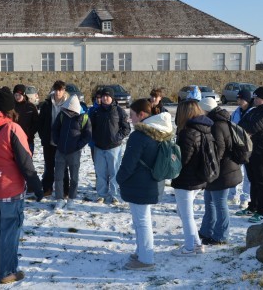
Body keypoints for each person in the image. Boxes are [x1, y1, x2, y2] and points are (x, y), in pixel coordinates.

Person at [0, 86, 43, 284]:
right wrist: (37, 187)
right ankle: (7, 272)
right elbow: (26, 162)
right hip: (10, 189)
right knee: (9, 232)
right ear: (10, 109)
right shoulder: (13, 129)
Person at [116, 98, 174, 270]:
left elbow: (128, 164)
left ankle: (146, 259)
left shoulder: (140, 136)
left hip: (139, 185)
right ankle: (142, 251)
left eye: (132, 115)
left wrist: (118, 179)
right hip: (153, 183)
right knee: (142, 220)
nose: (129, 119)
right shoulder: (161, 131)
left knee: (142, 222)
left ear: (142, 115)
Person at [198, 98, 242, 245]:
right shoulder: (217, 121)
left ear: (205, 110)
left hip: (222, 171)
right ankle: (206, 231)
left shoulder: (217, 124)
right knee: (209, 201)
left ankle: (221, 236)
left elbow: (219, 149)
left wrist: (210, 165)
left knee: (220, 203)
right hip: (219, 170)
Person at [171, 99, 211, 256]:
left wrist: (172, 156)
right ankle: (197, 244)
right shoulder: (205, 129)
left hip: (187, 179)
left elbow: (183, 159)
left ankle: (189, 248)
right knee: (184, 213)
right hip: (199, 177)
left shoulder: (188, 132)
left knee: (186, 215)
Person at [237, 86, 263, 223]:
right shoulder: (254, 110)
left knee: (261, 181)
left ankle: (262, 211)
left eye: (257, 97)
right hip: (250, 150)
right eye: (254, 97)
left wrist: (246, 131)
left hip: (261, 151)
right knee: (252, 179)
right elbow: (241, 124)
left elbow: (256, 126)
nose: (255, 99)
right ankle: (252, 206)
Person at [90, 87, 131, 205]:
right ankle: (101, 194)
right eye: (103, 96)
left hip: (114, 147)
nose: (105, 98)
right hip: (99, 147)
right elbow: (90, 127)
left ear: (112, 97)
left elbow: (126, 128)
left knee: (114, 172)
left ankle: (114, 195)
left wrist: (117, 138)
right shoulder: (96, 111)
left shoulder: (119, 111)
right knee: (100, 172)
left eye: (107, 96)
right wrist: (94, 138)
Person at [51, 94, 91, 211]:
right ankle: (59, 199)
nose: (68, 110)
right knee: (58, 176)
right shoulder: (62, 115)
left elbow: (87, 135)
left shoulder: (84, 117)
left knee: (74, 177)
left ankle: (71, 199)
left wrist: (78, 146)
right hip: (60, 151)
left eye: (70, 108)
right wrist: (58, 142)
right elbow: (55, 129)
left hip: (74, 152)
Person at [38, 80, 70, 197]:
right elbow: (40, 123)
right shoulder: (46, 104)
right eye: (56, 90)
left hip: (63, 142)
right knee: (49, 166)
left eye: (60, 90)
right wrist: (43, 136)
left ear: (64, 90)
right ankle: (47, 188)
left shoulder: (68, 104)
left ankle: (65, 190)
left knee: (64, 168)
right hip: (49, 141)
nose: (58, 92)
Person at [228, 89, 254, 207]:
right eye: (238, 99)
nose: (238, 101)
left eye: (241, 99)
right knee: (233, 171)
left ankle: (245, 198)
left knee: (248, 175)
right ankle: (232, 196)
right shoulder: (236, 112)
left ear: (247, 100)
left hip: (249, 148)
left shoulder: (254, 112)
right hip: (237, 147)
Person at [13, 84, 39, 155]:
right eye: (16, 95)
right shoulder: (11, 107)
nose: (17, 97)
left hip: (28, 140)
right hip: (14, 140)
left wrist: (30, 133)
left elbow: (36, 123)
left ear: (24, 95)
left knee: (27, 163)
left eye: (19, 95)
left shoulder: (31, 107)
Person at [87, 89, 103, 162]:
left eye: (100, 97)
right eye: (97, 98)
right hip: (93, 142)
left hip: (104, 143)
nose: (99, 99)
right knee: (96, 164)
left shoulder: (107, 110)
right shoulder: (91, 110)